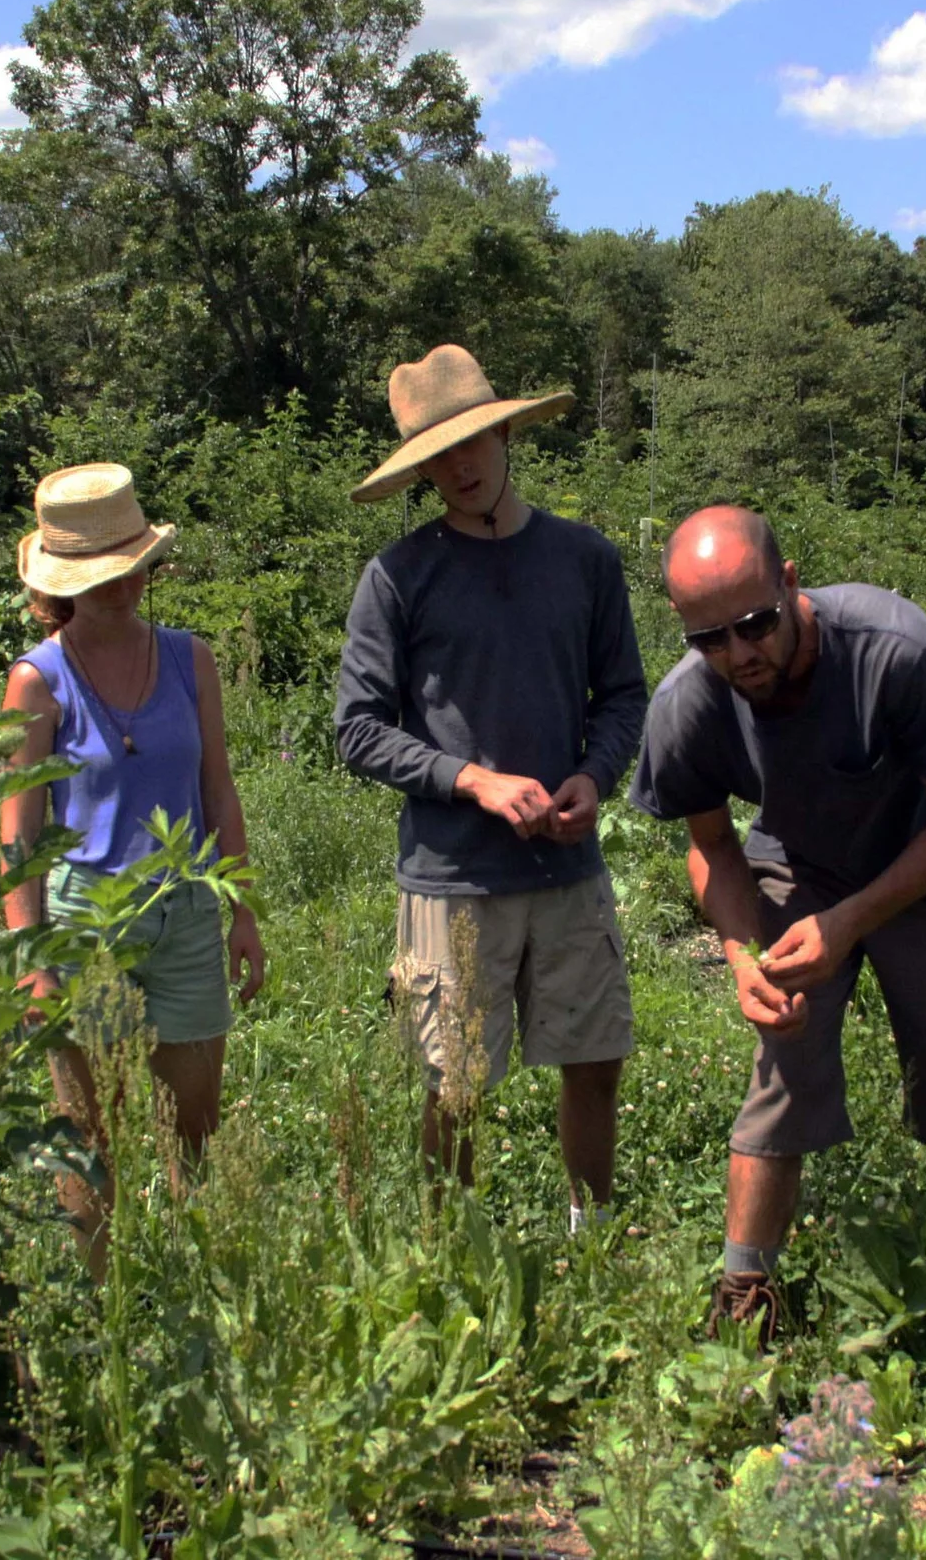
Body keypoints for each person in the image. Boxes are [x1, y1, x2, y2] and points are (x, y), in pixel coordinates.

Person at [628, 505, 926, 1340]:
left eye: (756, 624)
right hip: (799, 859)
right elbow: (712, 847)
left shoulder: (895, 651)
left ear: (791, 582)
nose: (739, 652)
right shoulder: (687, 704)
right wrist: (743, 958)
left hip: (922, 858)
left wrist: (850, 921)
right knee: (785, 1051)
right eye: (710, 637)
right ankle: (745, 1305)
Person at [335, 344, 647, 1234]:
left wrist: (592, 776)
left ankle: (592, 1238)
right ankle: (451, 1252)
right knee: (455, 1084)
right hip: (452, 876)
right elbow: (357, 728)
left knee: (596, 1060)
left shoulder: (584, 558)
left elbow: (623, 694)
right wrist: (471, 780)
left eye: (470, 442)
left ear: (506, 433)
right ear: (420, 470)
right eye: (437, 456)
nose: (459, 467)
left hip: (567, 869)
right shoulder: (398, 575)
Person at [0, 462, 265, 1281]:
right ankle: (100, 1308)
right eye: (98, 573)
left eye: (130, 566)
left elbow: (218, 790)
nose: (119, 586)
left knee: (196, 1131)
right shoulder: (37, 681)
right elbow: (18, 833)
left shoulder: (191, 660)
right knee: (90, 1140)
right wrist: (32, 959)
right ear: (61, 584)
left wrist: (242, 912)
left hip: (186, 909)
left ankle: (199, 1293)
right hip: (87, 921)